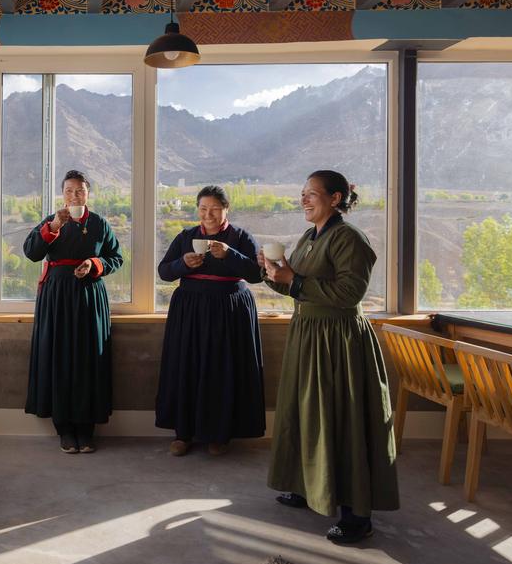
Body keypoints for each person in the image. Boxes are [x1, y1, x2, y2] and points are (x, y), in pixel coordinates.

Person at [260, 170, 399, 545]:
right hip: (308, 336)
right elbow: (299, 287)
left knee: (343, 419)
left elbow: (349, 293)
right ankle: (308, 486)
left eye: (312, 194)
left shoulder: (349, 238)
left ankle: (357, 515)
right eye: (302, 194)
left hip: (339, 341)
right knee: (306, 413)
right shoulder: (309, 237)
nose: (304, 200)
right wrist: (274, 274)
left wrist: (294, 279)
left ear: (336, 199)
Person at [155, 185, 265, 456]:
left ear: (226, 209)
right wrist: (183, 264)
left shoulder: (241, 237)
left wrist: (230, 254)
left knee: (222, 370)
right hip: (189, 310)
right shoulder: (186, 237)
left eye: (215, 208)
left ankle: (219, 435)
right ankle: (184, 434)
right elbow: (164, 272)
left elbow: (256, 274)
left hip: (229, 310)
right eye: (203, 208)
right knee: (187, 366)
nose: (209, 214)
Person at [23, 169, 123, 454]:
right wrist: (53, 226)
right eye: (69, 191)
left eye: (79, 190)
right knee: (59, 356)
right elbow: (31, 252)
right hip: (55, 297)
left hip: (90, 297)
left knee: (89, 357)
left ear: (88, 194)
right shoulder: (53, 221)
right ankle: (64, 429)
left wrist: (94, 264)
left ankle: (86, 429)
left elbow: (116, 258)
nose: (74, 195)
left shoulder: (100, 224)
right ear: (62, 194)